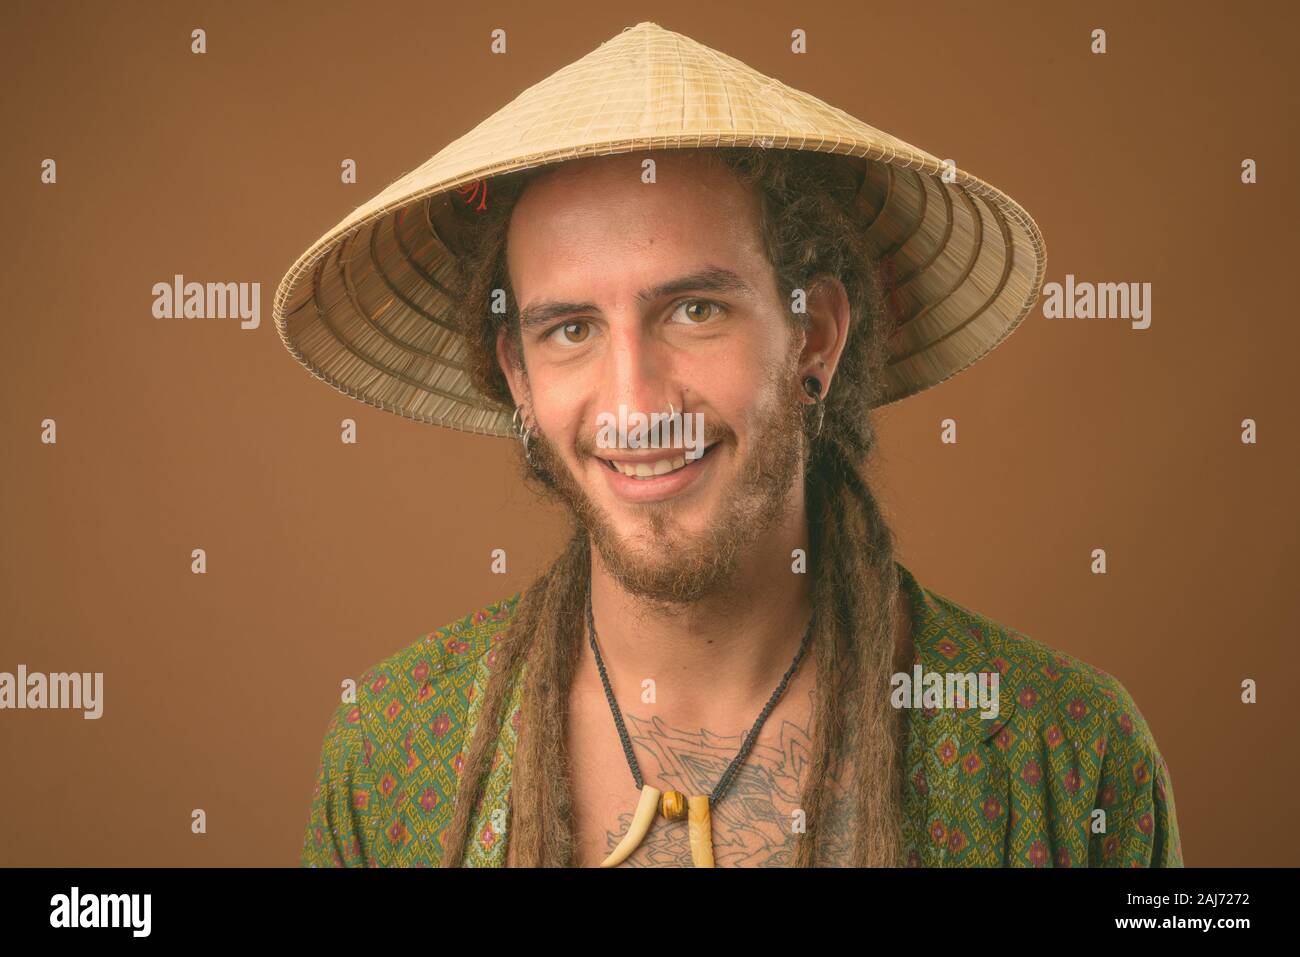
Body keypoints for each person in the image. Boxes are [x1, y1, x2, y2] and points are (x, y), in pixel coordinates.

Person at [280, 22, 1180, 868]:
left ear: (814, 336)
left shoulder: (1064, 751)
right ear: (517, 374)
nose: (634, 405)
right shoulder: (392, 753)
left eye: (695, 310)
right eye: (570, 330)